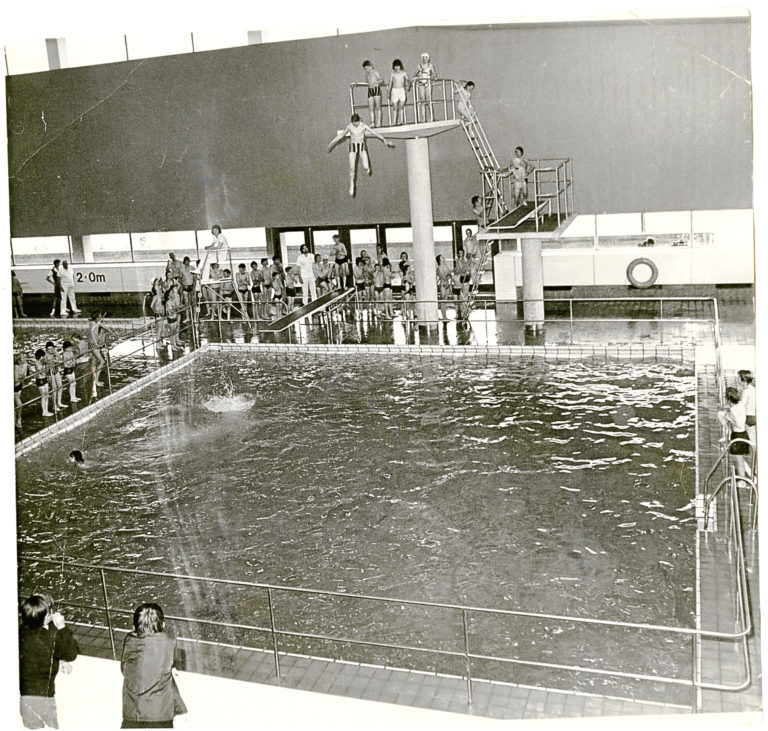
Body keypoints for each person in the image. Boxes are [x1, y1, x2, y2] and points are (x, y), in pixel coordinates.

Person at [121, 603, 187, 729]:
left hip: (133, 712)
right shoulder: (170, 641)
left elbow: (124, 668)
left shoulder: (129, 639)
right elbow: (177, 662)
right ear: (162, 625)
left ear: (134, 626)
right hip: (160, 712)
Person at [19, 594, 79, 730]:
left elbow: (47, 652)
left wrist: (59, 659)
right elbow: (71, 654)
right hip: (41, 697)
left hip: (26, 693)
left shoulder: (24, 629)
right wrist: (62, 628)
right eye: (49, 612)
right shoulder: (45, 638)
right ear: (44, 618)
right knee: (49, 725)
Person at [327, 114, 395, 197]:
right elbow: (341, 135)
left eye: (356, 124)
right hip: (353, 147)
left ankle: (367, 168)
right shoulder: (350, 126)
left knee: (366, 166)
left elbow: (375, 133)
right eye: (354, 124)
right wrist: (332, 143)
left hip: (362, 147)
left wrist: (385, 140)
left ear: (359, 121)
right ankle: (352, 184)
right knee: (352, 168)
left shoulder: (364, 126)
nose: (355, 126)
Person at [718, 386, 752, 482]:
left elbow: (739, 424)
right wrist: (728, 408)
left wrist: (729, 418)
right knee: (740, 460)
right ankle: (744, 478)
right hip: (743, 434)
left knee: (739, 461)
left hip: (738, 436)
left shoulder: (733, 411)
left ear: (728, 399)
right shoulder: (740, 404)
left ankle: (743, 481)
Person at [89, 313, 115, 393]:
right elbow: (92, 333)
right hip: (93, 344)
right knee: (102, 361)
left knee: (94, 362)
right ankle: (96, 380)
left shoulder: (97, 323)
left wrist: (113, 334)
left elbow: (106, 328)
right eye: (99, 317)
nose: (100, 318)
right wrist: (96, 343)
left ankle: (94, 380)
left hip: (94, 344)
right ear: (96, 317)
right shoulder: (92, 323)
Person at [413, 52, 436, 122]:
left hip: (427, 83)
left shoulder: (430, 65)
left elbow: (434, 74)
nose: (424, 59)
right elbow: (414, 74)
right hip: (421, 83)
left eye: (426, 57)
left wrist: (434, 77)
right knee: (422, 101)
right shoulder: (419, 65)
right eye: (423, 57)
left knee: (429, 100)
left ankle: (431, 117)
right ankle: (423, 118)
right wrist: (417, 73)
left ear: (428, 58)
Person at [362, 60, 384, 128]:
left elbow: (381, 80)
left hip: (376, 89)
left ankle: (379, 122)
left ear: (371, 66)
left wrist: (376, 82)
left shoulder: (375, 72)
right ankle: (372, 122)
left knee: (378, 106)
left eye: (367, 68)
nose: (366, 70)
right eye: (365, 69)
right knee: (371, 107)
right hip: (370, 90)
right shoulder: (367, 74)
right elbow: (367, 82)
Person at [388, 59, 410, 126]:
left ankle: (401, 121)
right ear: (393, 67)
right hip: (395, 90)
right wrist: (388, 92)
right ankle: (394, 121)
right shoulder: (392, 74)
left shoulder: (404, 73)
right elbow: (390, 83)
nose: (396, 68)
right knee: (395, 107)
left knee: (401, 106)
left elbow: (408, 80)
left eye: (398, 66)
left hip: (401, 90)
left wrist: (408, 85)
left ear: (400, 66)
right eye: (395, 66)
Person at [44, 341, 64, 412]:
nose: (51, 350)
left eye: (52, 348)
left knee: (60, 386)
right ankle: (54, 406)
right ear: (46, 349)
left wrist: (56, 353)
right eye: (49, 349)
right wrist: (55, 360)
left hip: (56, 370)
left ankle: (59, 402)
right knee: (54, 388)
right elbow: (46, 362)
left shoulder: (54, 353)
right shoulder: (45, 355)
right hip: (50, 372)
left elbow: (61, 360)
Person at [738, 370, 756, 447]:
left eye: (738, 377)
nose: (737, 379)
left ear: (744, 379)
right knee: (753, 438)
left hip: (749, 417)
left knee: (752, 440)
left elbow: (742, 405)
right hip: (753, 416)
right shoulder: (752, 388)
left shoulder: (746, 391)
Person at [33, 349, 52, 417]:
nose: (44, 357)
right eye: (43, 356)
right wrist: (46, 368)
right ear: (41, 356)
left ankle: (46, 410)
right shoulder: (37, 363)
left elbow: (45, 372)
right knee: (43, 396)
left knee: (47, 395)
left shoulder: (42, 362)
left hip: (44, 379)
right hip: (40, 380)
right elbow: (42, 372)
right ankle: (44, 412)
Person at [61, 340, 80, 404]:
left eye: (71, 347)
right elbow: (65, 365)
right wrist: (71, 363)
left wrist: (72, 363)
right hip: (67, 371)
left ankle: (74, 396)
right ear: (65, 348)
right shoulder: (64, 354)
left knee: (74, 383)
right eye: (69, 348)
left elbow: (74, 361)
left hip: (71, 369)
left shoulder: (71, 353)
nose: (70, 349)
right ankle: (71, 398)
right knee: (72, 384)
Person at [14, 352, 28, 429]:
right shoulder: (15, 366)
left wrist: (21, 377)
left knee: (16, 406)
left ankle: (16, 421)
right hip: (14, 388)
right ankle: (18, 420)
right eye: (21, 358)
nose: (23, 359)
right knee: (19, 405)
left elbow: (24, 376)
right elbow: (15, 379)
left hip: (19, 386)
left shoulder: (24, 365)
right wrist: (21, 377)